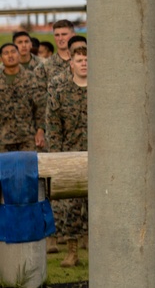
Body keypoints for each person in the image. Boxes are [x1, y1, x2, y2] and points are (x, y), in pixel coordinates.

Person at [46, 44, 89, 267]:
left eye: (87, 60)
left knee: (98, 203)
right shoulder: (59, 88)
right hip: (70, 154)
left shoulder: (102, 89)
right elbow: (53, 125)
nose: (84, 64)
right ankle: (72, 251)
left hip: (99, 155)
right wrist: (57, 158)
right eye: (80, 60)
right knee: (70, 206)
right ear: (71, 64)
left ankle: (99, 247)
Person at [0, 42, 45, 152]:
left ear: (19, 55)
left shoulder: (32, 78)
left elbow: (41, 107)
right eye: (6, 53)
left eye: (13, 52)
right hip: (2, 138)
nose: (10, 56)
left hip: (28, 138)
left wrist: (40, 130)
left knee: (28, 169)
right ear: (1, 58)